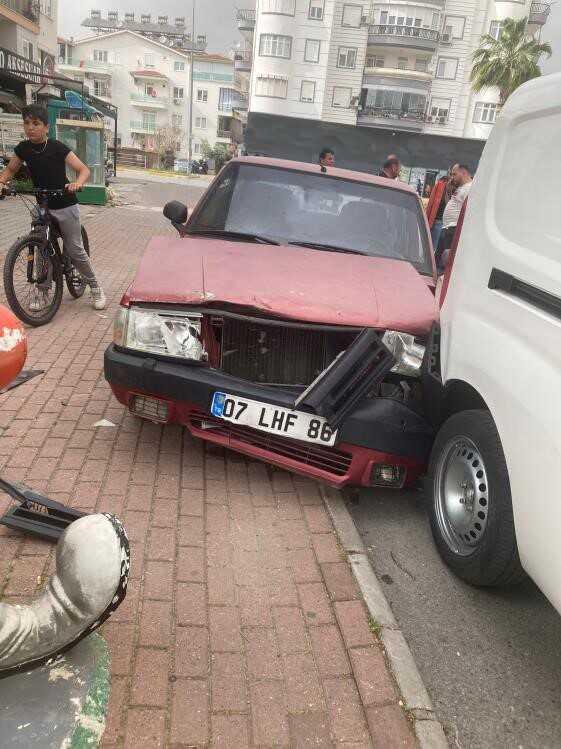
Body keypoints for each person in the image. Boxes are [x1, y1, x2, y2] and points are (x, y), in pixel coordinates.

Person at [0, 105, 107, 311]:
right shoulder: (23, 149)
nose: (30, 128)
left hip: (65, 204)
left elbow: (83, 170)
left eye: (36, 124)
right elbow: (11, 169)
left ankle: (95, 287)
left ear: (46, 127)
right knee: (42, 247)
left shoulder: (57, 147)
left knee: (75, 250)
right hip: (42, 205)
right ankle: (43, 291)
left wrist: (78, 183)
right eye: (27, 123)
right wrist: (2, 181)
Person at [436, 164, 472, 272]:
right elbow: (451, 204)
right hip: (446, 228)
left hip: (453, 228)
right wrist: (448, 191)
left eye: (454, 174)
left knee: (444, 263)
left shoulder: (470, 188)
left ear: (463, 173)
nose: (452, 177)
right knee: (437, 261)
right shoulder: (461, 188)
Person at [426, 164, 458, 251]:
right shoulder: (440, 185)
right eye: (451, 174)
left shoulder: (458, 189)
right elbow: (431, 203)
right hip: (438, 222)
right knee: (432, 248)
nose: (452, 177)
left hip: (450, 225)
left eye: (454, 174)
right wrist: (427, 221)